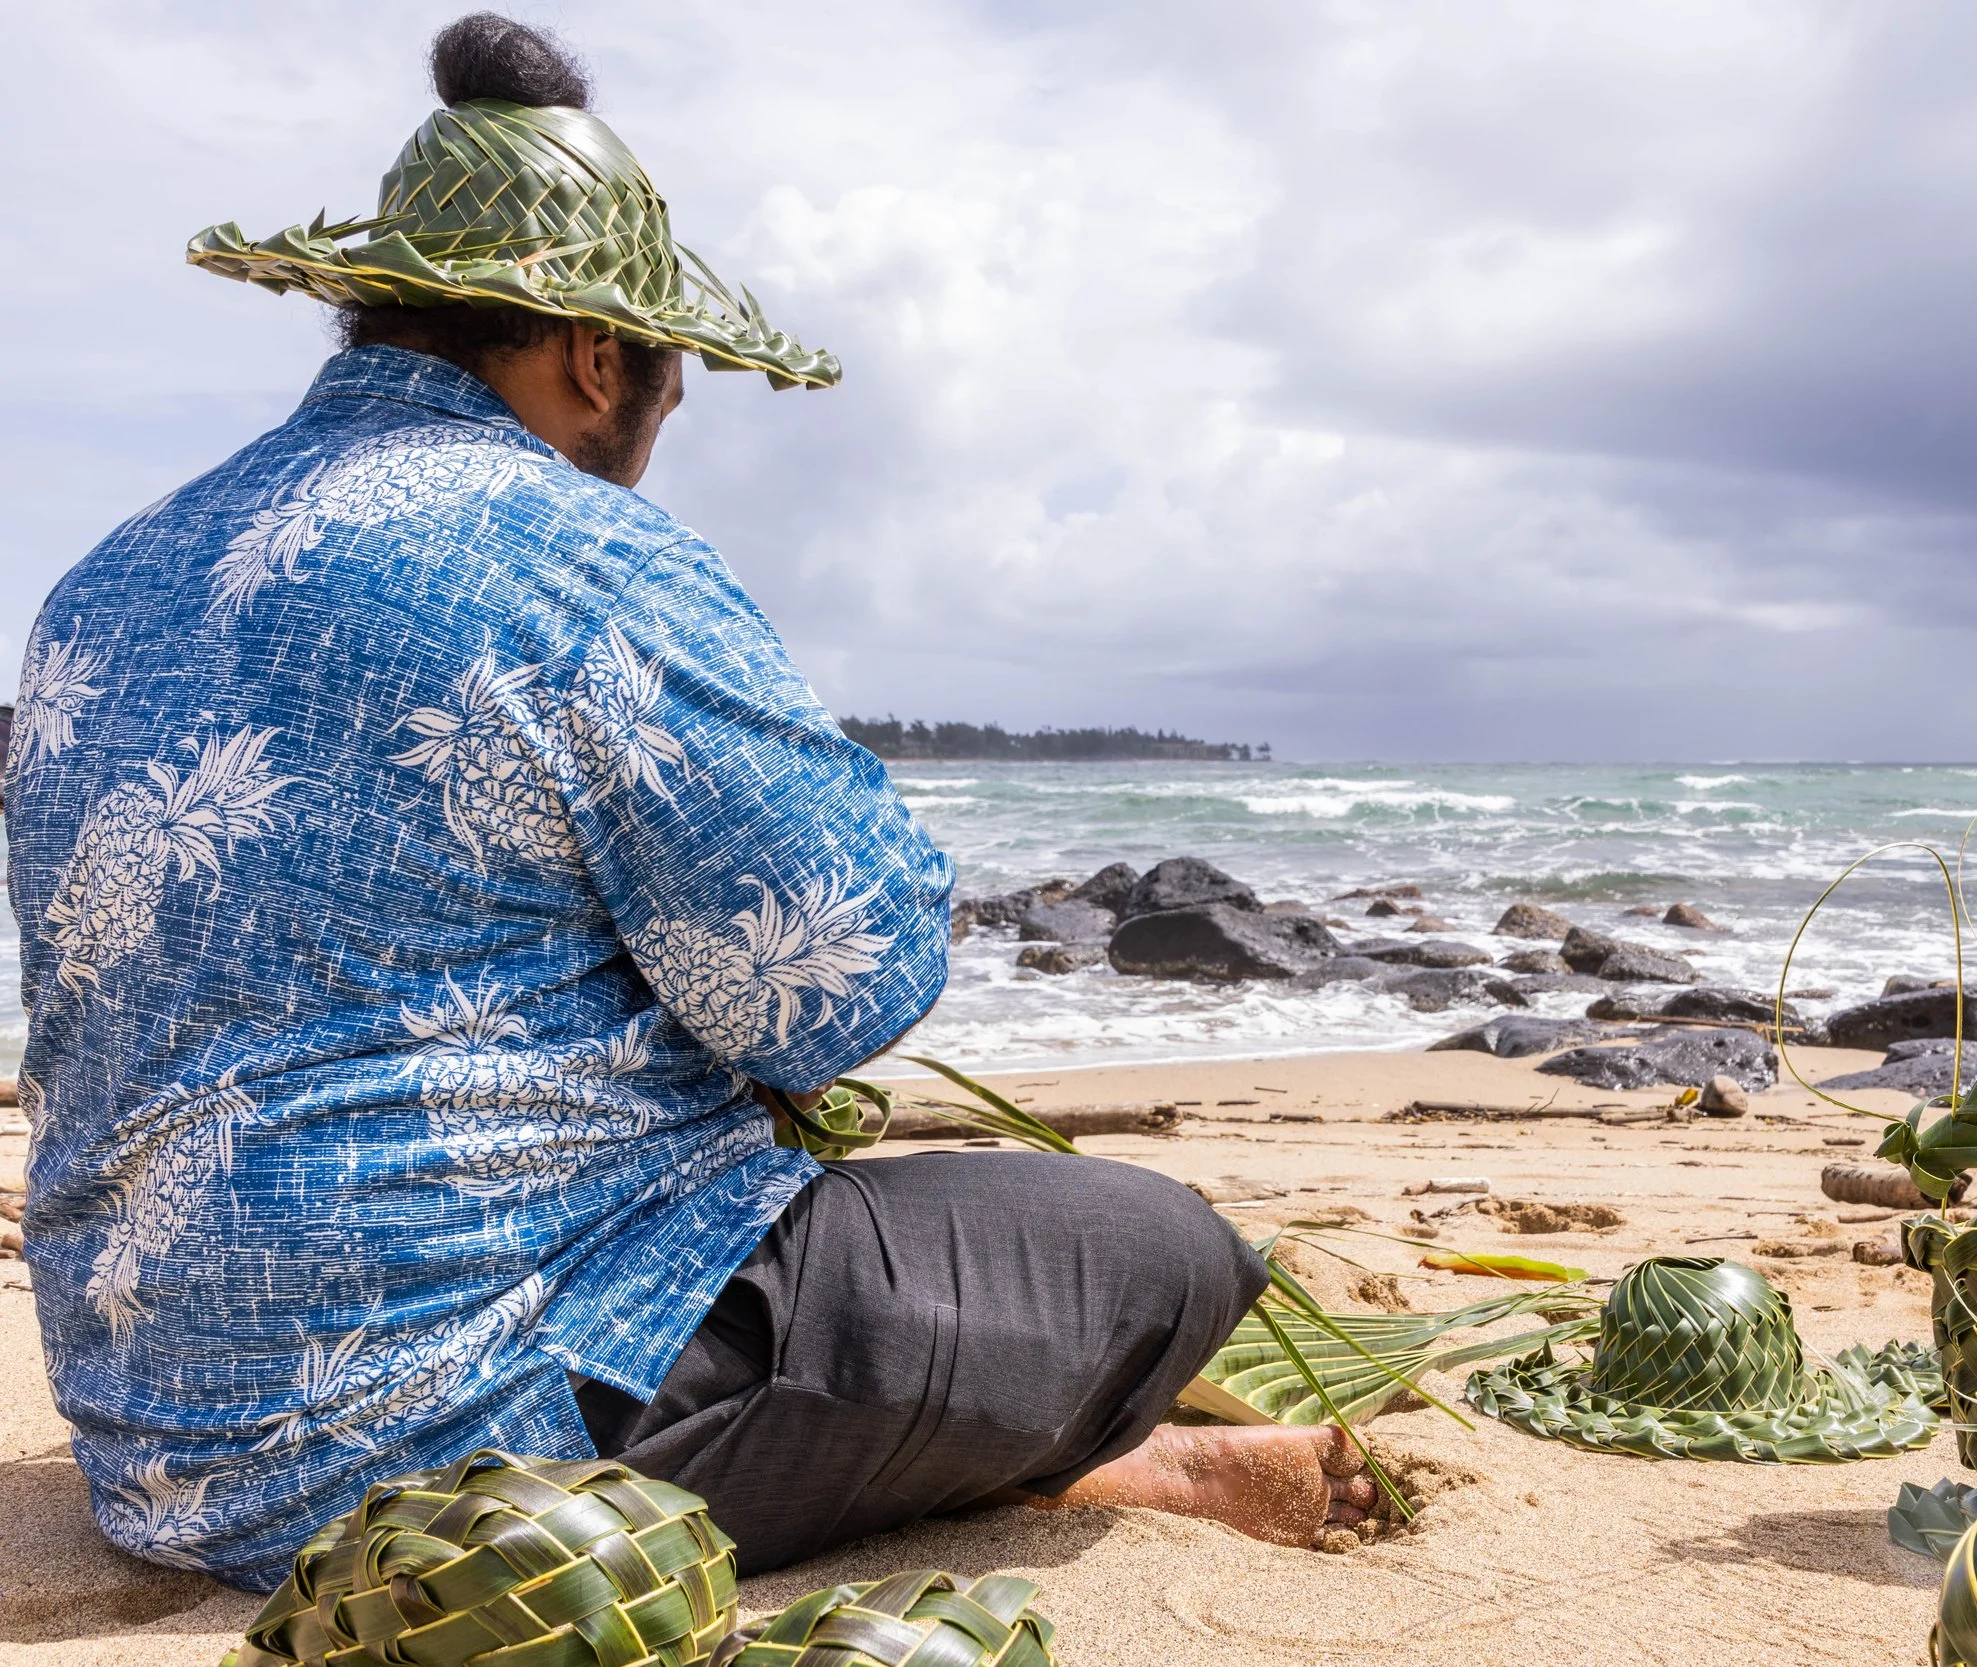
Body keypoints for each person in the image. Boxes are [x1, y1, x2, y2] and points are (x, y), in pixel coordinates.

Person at [9, 13, 1370, 1592]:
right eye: (672, 378)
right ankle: (1051, 1466)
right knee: (1155, 1250)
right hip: (448, 1455)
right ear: (599, 352)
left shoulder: (101, 582)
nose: (665, 419)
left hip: (161, 1447)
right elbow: (841, 985)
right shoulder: (578, 550)